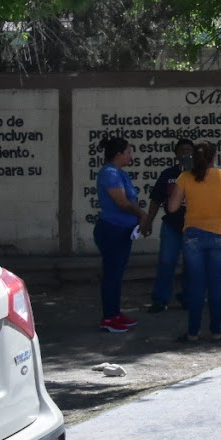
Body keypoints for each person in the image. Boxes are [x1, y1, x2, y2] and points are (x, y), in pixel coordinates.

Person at [168, 141, 221, 343]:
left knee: (196, 285)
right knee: (215, 284)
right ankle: (216, 331)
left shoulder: (185, 177)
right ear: (215, 157)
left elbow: (172, 208)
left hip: (193, 235)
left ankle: (192, 333)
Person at [93, 136, 145, 333]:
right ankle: (108, 318)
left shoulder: (119, 173)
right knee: (111, 275)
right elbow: (122, 202)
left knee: (117, 274)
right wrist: (141, 214)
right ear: (118, 154)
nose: (130, 155)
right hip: (112, 230)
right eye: (128, 152)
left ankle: (115, 313)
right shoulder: (110, 174)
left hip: (123, 230)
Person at [142, 138, 194, 313]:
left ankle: (188, 298)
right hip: (171, 226)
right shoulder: (168, 174)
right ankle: (160, 300)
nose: (186, 153)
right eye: (182, 150)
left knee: (191, 264)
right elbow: (156, 199)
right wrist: (148, 221)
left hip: (193, 226)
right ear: (176, 154)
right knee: (166, 262)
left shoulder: (200, 174)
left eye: (189, 150)